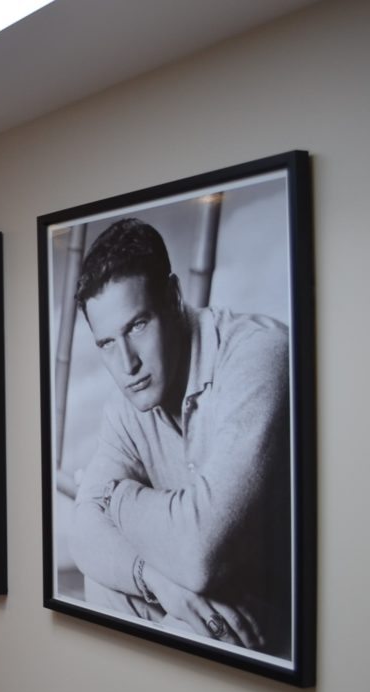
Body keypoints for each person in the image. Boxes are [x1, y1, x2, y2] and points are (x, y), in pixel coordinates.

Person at [69, 217, 290, 654]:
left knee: (183, 626)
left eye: (136, 326)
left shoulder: (256, 355)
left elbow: (198, 551)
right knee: (106, 584)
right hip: (205, 600)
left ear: (172, 297)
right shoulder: (129, 403)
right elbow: (81, 533)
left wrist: (116, 496)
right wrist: (156, 582)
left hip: (280, 616)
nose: (126, 363)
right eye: (107, 343)